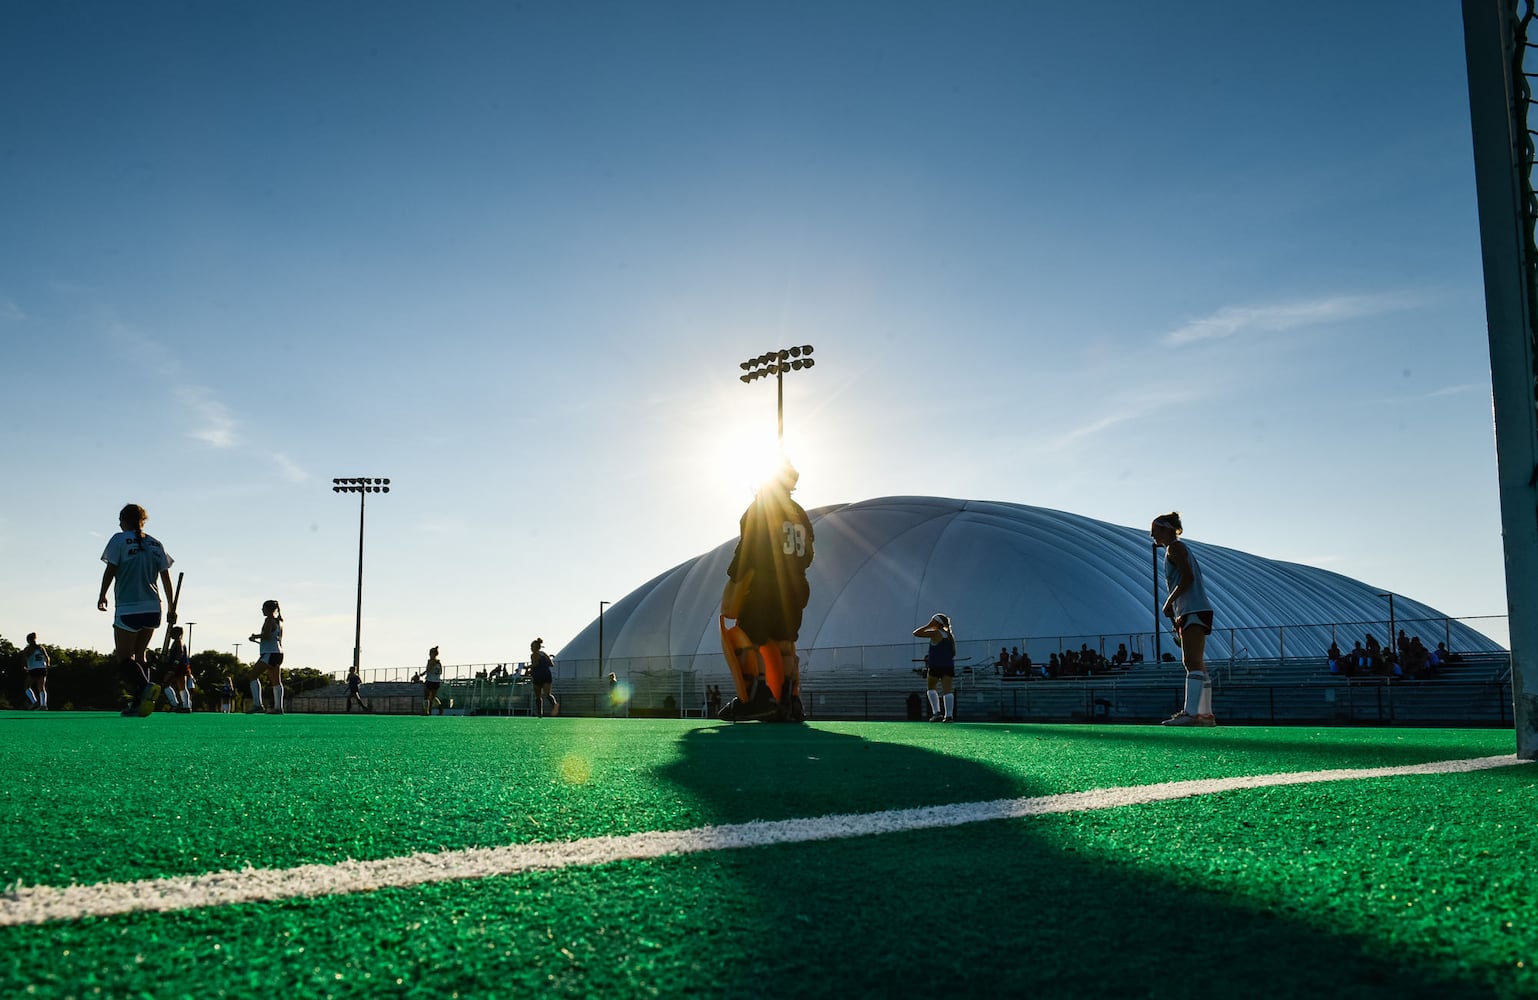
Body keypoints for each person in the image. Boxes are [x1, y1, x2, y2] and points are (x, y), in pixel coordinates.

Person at [717, 460, 815, 723]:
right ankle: (790, 701)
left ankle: (760, 698)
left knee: (751, 637)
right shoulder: (799, 513)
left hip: (764, 585)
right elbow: (808, 555)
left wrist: (734, 582)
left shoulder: (760, 509)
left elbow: (746, 553)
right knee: (785, 645)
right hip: (795, 586)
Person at [98, 503, 176, 715]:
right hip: (153, 607)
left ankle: (144, 690)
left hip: (129, 606)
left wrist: (102, 594)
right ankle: (141, 703)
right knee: (140, 655)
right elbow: (166, 576)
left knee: (124, 659)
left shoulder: (119, 539)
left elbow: (111, 568)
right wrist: (171, 606)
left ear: (125, 520)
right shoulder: (155, 543)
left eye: (120, 519)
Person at [1152, 511, 1217, 727]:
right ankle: (1205, 714)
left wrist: (1169, 601)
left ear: (1166, 529)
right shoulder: (1178, 549)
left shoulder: (1175, 548)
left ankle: (1191, 713)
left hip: (1192, 609)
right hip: (1192, 609)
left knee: (1191, 662)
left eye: (1155, 531)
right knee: (1197, 662)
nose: (1153, 536)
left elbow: (1187, 577)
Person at [914, 613, 958, 722]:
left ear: (936, 623)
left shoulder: (935, 633)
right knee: (947, 690)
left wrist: (928, 626)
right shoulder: (948, 635)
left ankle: (936, 713)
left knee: (931, 687)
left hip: (935, 665)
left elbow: (916, 633)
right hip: (948, 665)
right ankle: (948, 716)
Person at [248, 599, 284, 714]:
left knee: (252, 675)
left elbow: (267, 635)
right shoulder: (280, 621)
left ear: (268, 609)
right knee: (276, 681)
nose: (262, 610)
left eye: (263, 608)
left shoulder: (269, 619)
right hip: (278, 653)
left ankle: (257, 704)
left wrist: (255, 636)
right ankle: (278, 708)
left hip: (270, 653)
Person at [160, 625, 192, 712]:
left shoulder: (179, 641)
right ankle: (176, 704)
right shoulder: (176, 642)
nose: (170, 635)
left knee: (181, 686)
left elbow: (180, 653)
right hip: (176, 666)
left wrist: (175, 665)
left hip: (179, 667)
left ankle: (186, 706)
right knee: (166, 684)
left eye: (172, 633)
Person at [528, 638, 557, 717]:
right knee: (548, 694)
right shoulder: (544, 653)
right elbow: (551, 664)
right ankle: (555, 705)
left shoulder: (533, 655)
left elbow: (535, 664)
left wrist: (528, 668)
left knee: (538, 695)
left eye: (532, 647)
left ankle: (540, 713)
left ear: (536, 647)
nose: (531, 648)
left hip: (538, 675)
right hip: (547, 674)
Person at [22, 632, 49, 710]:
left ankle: (34, 702)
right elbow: (47, 657)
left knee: (27, 686)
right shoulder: (41, 647)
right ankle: (44, 705)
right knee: (41, 687)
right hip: (42, 668)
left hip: (33, 669)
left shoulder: (28, 648)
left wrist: (24, 666)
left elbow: (24, 658)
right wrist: (47, 665)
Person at [423, 646, 444, 715]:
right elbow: (441, 672)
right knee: (432, 697)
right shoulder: (439, 663)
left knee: (427, 696)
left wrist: (423, 674)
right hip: (437, 681)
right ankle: (439, 708)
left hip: (430, 680)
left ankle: (427, 711)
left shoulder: (431, 661)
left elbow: (428, 669)